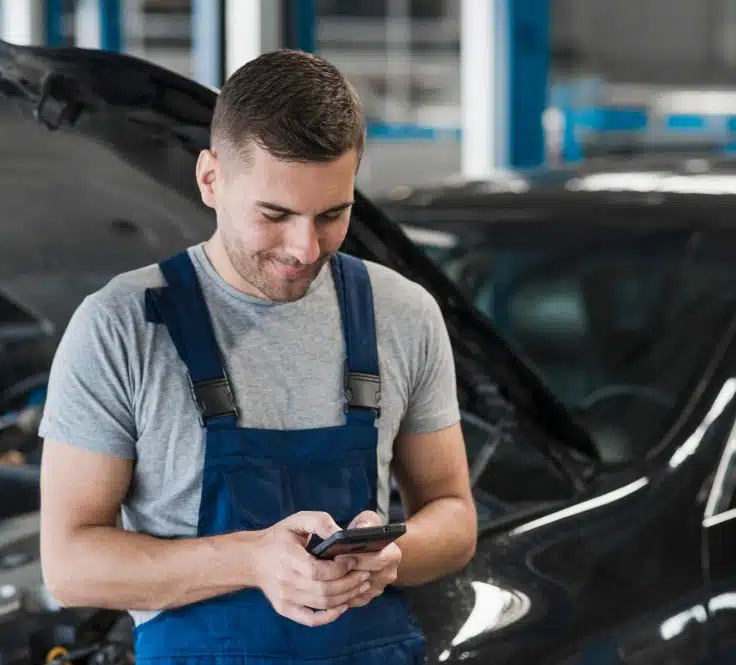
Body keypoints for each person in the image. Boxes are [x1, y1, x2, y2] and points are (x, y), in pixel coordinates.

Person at [38, 49, 477, 665]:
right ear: (211, 179)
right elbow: (69, 567)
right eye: (275, 215)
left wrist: (393, 556)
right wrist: (252, 560)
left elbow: (453, 517)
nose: (304, 247)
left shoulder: (402, 314)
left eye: (333, 214)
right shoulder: (121, 328)